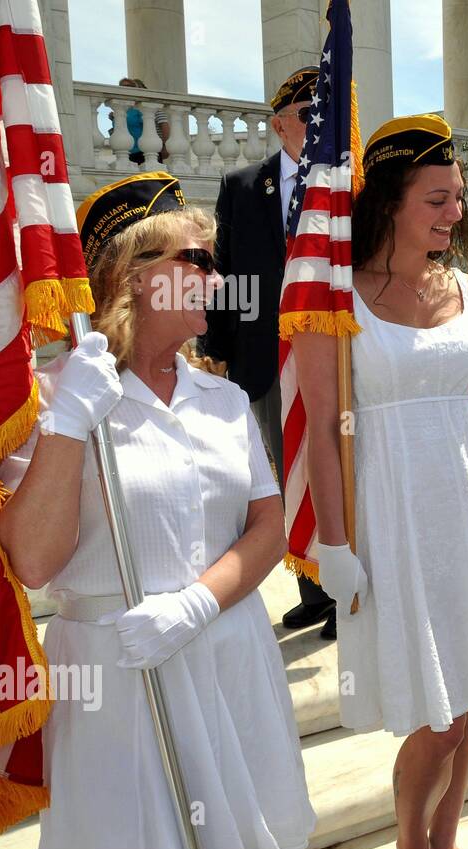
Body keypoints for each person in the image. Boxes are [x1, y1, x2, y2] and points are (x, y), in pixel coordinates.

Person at [0, 172, 316, 849]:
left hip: (228, 653)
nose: (217, 274)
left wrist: (197, 604)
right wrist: (66, 427)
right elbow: (31, 558)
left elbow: (268, 525)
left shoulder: (222, 397)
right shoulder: (53, 400)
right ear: (134, 275)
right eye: (196, 258)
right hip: (116, 679)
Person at [289, 114, 468, 849]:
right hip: (395, 518)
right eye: (437, 199)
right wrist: (332, 543)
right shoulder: (336, 300)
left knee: (465, 691)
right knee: (438, 712)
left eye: (458, 197)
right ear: (391, 201)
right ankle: (412, 843)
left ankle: (446, 839)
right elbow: (328, 430)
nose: (455, 213)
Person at [196, 67, 336, 637]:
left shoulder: (346, 182)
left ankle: (346, 584)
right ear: (280, 125)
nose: (317, 120)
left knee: (341, 462)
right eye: (307, 113)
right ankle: (313, 587)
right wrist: (216, 348)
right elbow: (225, 274)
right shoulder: (242, 186)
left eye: (322, 110)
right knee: (284, 468)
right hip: (265, 354)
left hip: (335, 350)